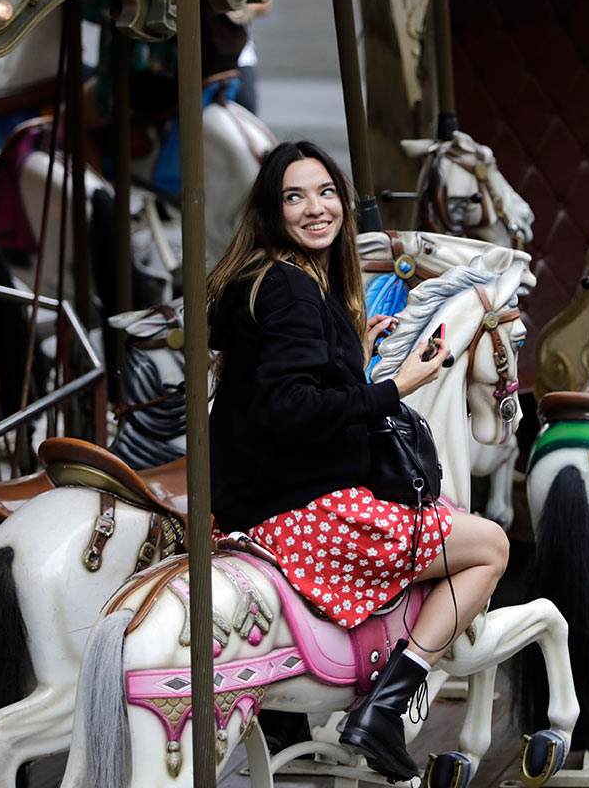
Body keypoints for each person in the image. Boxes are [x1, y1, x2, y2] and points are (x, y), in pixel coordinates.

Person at [208, 140, 510, 781]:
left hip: (256, 501)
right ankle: (385, 708)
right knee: (489, 546)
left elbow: (291, 381)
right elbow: (291, 409)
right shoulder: (290, 289)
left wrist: (348, 350)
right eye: (295, 197)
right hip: (299, 511)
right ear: (271, 210)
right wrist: (397, 385)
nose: (316, 209)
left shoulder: (271, 280)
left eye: (325, 193)